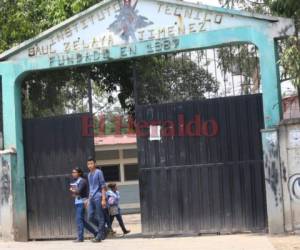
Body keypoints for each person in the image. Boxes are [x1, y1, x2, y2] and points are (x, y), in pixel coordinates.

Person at [69, 167, 97, 243]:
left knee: (79, 220)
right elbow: (76, 193)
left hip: (82, 202)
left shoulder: (82, 181)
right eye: (72, 172)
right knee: (81, 221)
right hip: (77, 202)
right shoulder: (76, 181)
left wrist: (73, 190)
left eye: (74, 172)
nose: (73, 174)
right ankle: (95, 232)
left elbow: (79, 191)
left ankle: (80, 238)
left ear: (79, 173)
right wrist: (74, 192)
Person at [87, 157, 107, 243]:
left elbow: (103, 186)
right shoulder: (89, 175)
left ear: (95, 164)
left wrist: (103, 199)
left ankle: (99, 236)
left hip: (98, 197)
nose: (90, 165)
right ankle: (103, 228)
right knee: (90, 217)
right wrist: (88, 200)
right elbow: (91, 188)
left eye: (91, 163)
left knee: (100, 216)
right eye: (88, 164)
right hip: (91, 198)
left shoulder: (99, 172)